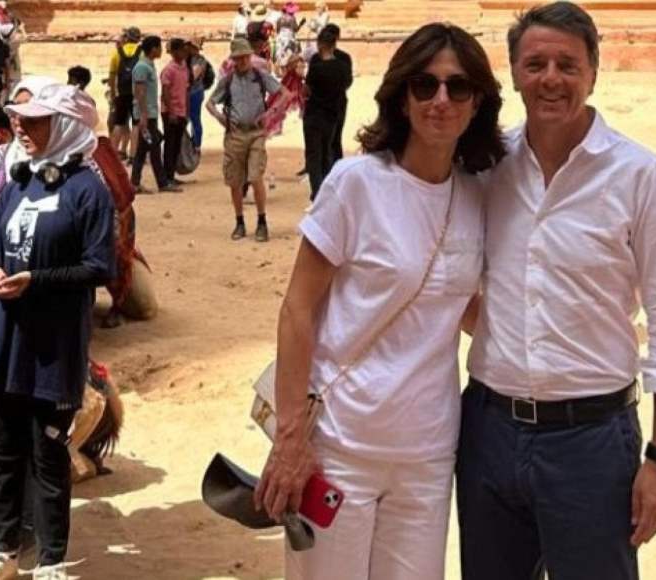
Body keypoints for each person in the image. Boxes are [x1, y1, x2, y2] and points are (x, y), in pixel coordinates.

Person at [456, 4, 656, 580]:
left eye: (567, 65)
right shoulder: (488, 168)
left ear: (593, 72)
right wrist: (508, 330)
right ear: (514, 73)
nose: (551, 79)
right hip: (490, 431)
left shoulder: (638, 175)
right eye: (535, 64)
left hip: (591, 443)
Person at [253, 22, 505, 580]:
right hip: (340, 445)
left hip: (428, 453)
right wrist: (291, 439)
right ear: (402, 96)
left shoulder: (478, 195)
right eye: (425, 85)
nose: (441, 100)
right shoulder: (356, 184)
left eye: (458, 87)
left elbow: (456, 301)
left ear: (477, 102)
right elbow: (298, 309)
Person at [0, 82, 114, 580]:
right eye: (19, 121)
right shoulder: (17, 183)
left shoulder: (88, 192)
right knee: (2, 451)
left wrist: (37, 280)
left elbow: (99, 267)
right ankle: (3, 553)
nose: (21, 129)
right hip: (3, 340)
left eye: (34, 122)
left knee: (48, 455)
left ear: (66, 126)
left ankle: (52, 561)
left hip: (52, 346)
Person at [206, 38, 289, 242]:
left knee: (255, 176)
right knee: (235, 180)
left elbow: (285, 94)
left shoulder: (260, 77)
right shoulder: (227, 81)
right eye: (238, 58)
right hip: (234, 134)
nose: (242, 61)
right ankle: (239, 221)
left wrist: (271, 113)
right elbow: (210, 103)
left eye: (245, 57)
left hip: (256, 133)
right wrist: (220, 118)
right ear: (233, 60)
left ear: (250, 57)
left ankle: (261, 221)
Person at [302, 25, 351, 200]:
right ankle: (331, 186)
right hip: (333, 112)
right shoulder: (342, 64)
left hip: (315, 113)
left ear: (321, 44)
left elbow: (307, 90)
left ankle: (318, 192)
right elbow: (347, 83)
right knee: (329, 149)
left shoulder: (317, 65)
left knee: (314, 155)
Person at [130, 35, 179, 193]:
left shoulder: (148, 65)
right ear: (153, 49)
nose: (161, 50)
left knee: (143, 150)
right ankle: (162, 183)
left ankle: (135, 182)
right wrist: (143, 115)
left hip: (149, 114)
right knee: (154, 148)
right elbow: (140, 92)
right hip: (147, 115)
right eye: (159, 47)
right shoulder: (142, 67)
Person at [107, 27, 142, 161]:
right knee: (136, 124)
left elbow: (112, 77)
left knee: (119, 123)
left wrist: (113, 94)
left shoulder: (117, 53)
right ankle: (133, 155)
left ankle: (112, 156)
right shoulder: (142, 53)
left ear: (126, 38)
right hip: (136, 94)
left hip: (122, 93)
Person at [160, 37, 190, 188]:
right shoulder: (169, 70)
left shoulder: (184, 67)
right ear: (175, 52)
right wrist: (171, 112)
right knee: (170, 145)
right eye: (182, 50)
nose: (185, 53)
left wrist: (186, 110)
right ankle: (167, 177)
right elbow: (165, 93)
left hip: (181, 111)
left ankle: (171, 174)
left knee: (177, 145)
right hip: (171, 112)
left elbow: (185, 89)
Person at [323, 24, 351, 163]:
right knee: (335, 138)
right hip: (338, 100)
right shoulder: (344, 57)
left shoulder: (319, 57)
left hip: (324, 102)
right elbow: (348, 81)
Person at [185, 37, 211, 153]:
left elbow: (194, 76)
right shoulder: (187, 59)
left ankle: (196, 145)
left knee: (195, 119)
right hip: (190, 92)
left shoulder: (200, 61)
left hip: (195, 92)